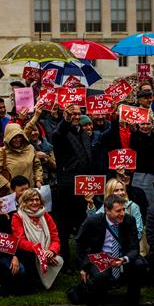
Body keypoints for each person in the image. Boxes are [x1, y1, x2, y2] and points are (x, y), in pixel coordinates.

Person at [72, 195, 148, 306]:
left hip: (122, 257)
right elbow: (80, 243)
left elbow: (134, 248)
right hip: (100, 258)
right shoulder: (93, 221)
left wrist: (124, 259)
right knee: (100, 277)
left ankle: (133, 305)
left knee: (139, 265)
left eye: (123, 209)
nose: (122, 213)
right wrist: (84, 266)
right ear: (107, 210)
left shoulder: (130, 221)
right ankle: (91, 291)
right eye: (118, 210)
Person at [51, 103, 93, 269]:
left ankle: (83, 259)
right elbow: (57, 134)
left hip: (84, 187)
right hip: (67, 188)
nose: (76, 116)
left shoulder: (83, 133)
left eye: (78, 113)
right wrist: (65, 119)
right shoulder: (61, 133)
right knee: (65, 227)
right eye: (72, 114)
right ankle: (65, 261)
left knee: (84, 224)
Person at [11, 189, 63, 290]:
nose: (35, 202)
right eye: (31, 200)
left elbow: (55, 237)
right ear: (24, 202)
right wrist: (41, 252)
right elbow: (20, 241)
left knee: (58, 259)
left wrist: (52, 251)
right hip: (30, 254)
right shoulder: (17, 217)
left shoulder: (45, 215)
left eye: (37, 199)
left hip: (47, 251)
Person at [0, 123, 42, 194]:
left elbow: (37, 166)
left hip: (30, 191)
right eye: (14, 137)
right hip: (13, 193)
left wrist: (38, 180)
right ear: (8, 138)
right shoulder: (2, 152)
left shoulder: (30, 148)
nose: (17, 140)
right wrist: (9, 185)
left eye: (19, 136)